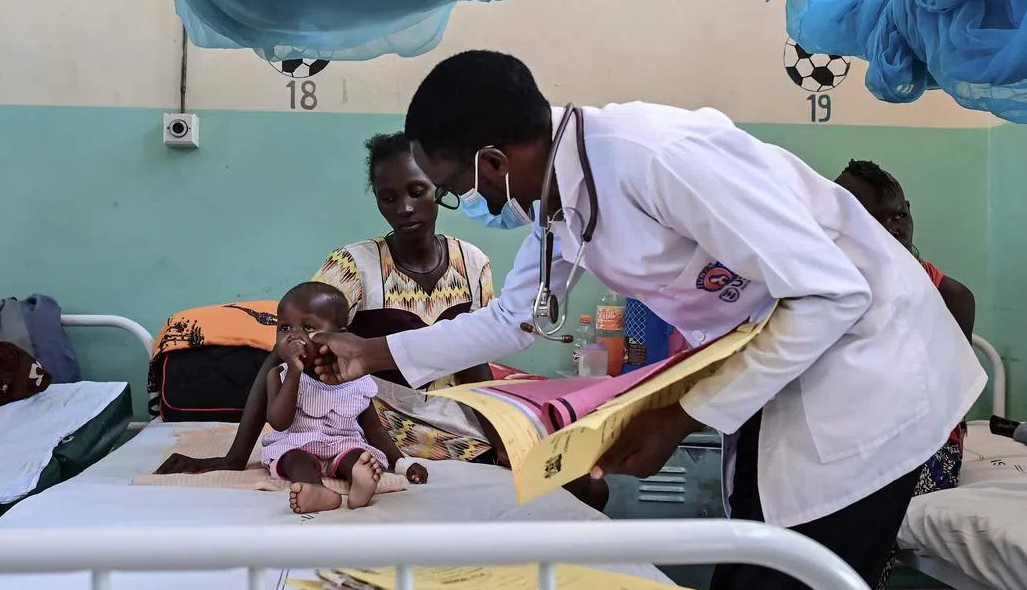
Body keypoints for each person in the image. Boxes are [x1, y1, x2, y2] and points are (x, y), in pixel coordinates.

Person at [310, 50, 986, 590]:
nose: (468, 201)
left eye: (457, 189)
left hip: (869, 378)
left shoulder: (655, 157)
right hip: (782, 378)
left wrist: (681, 414)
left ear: (492, 160)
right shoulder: (559, 203)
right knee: (754, 563)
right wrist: (368, 355)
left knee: (796, 574)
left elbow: (831, 295)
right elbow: (514, 319)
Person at [155, 131, 608, 509]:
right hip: (383, 430)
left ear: (439, 190)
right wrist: (236, 457)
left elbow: (476, 360)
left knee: (588, 484)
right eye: (388, 198)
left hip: (460, 423)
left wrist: (504, 434)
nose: (404, 208)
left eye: (416, 192)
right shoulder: (353, 267)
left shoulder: (473, 263)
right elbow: (285, 353)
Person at [835, 159, 977, 588]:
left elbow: (941, 403)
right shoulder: (830, 292)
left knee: (863, 507)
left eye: (898, 214)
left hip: (924, 446)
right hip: (853, 438)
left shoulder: (950, 297)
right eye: (871, 218)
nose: (891, 226)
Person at [264, 282, 428, 513]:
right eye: (285, 328)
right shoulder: (279, 375)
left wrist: (402, 463)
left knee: (358, 456)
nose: (294, 337)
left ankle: (359, 484)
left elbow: (375, 430)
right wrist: (293, 372)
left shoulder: (357, 382)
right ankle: (314, 490)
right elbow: (279, 422)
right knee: (295, 460)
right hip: (296, 444)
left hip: (342, 445)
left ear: (338, 338)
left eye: (308, 327)